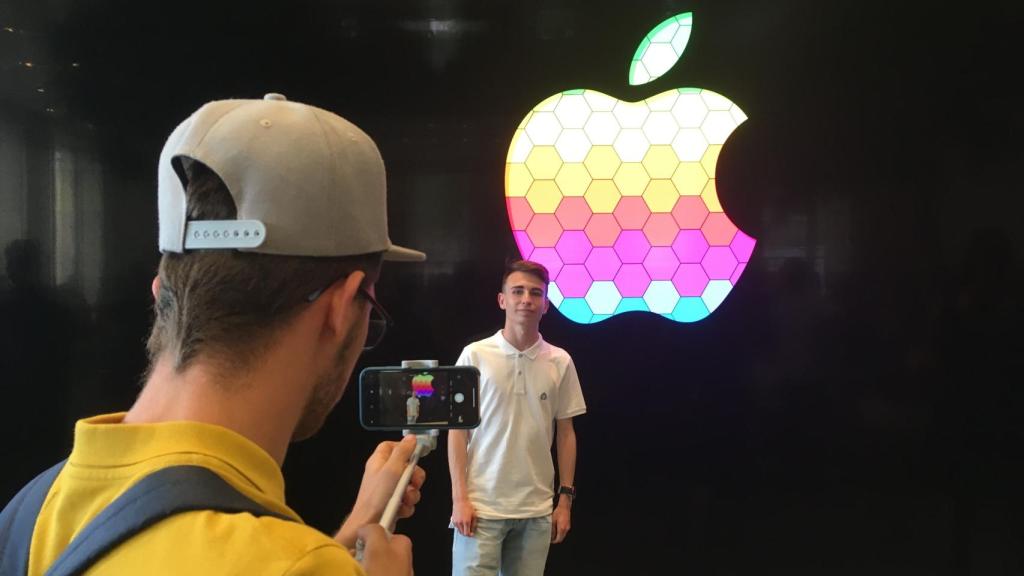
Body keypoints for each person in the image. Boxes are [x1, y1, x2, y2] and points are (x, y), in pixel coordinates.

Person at [0, 93, 427, 575]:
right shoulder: (295, 566)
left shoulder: (30, 514)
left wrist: (350, 536)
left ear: (161, 294)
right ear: (342, 307)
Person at [448, 259, 587, 576]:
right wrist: (459, 499)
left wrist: (564, 501)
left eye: (536, 293)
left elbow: (566, 433)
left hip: (536, 511)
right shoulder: (474, 355)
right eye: (518, 291)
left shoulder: (560, 361)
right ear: (502, 300)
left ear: (546, 304)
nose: (526, 299)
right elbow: (457, 432)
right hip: (481, 508)